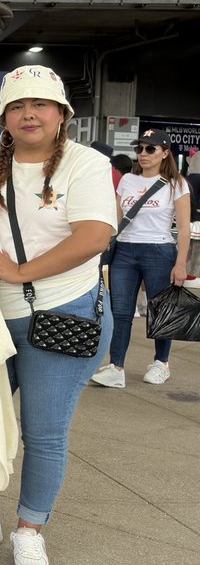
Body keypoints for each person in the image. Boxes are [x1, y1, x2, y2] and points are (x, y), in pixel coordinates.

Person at [0, 65, 116, 565]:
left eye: (41, 105)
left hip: (63, 313)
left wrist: (20, 272)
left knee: (43, 431)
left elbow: (93, 237)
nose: (29, 114)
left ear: (62, 114)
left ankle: (30, 530)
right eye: (17, 106)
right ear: (3, 118)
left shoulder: (85, 164)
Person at [91, 128, 191, 388]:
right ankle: (116, 366)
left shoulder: (177, 184)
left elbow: (183, 228)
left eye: (150, 148)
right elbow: (114, 218)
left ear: (165, 153)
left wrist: (181, 264)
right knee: (121, 311)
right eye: (139, 149)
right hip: (124, 250)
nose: (143, 154)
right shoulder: (127, 181)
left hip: (159, 251)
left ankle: (161, 362)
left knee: (161, 311)